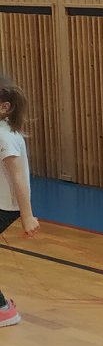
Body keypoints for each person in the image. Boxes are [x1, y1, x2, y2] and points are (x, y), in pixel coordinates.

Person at [0, 74, 40, 327]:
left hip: (5, 207)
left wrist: (27, 216)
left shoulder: (4, 137)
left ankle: (3, 310)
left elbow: (18, 179)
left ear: (4, 107)